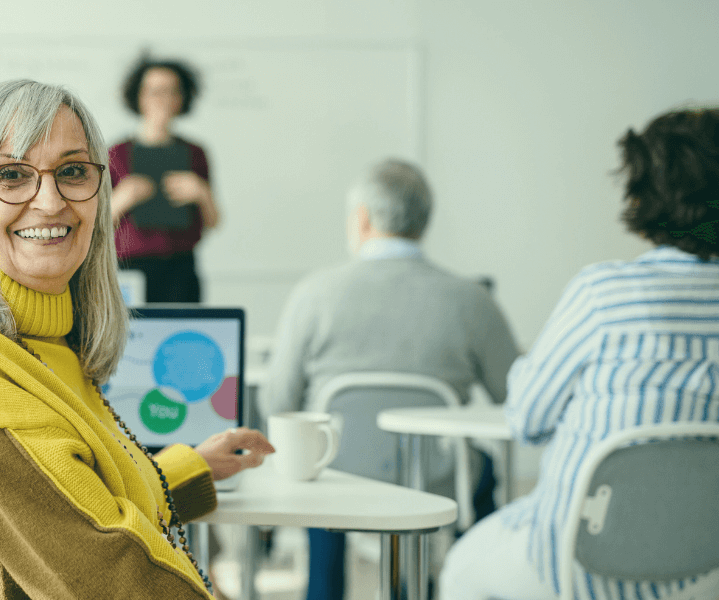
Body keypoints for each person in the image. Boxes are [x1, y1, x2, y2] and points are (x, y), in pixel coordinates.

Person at [0, 79, 274, 599]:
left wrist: (191, 467)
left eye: (73, 172)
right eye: (11, 175)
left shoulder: (50, 337)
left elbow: (76, 498)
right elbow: (95, 560)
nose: (51, 201)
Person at [440, 107, 719, 600]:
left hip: (577, 570)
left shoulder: (602, 293)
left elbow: (526, 419)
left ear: (644, 192)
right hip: (703, 575)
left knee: (460, 568)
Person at [261, 158, 520, 600]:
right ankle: (455, 581)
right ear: (424, 221)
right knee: (483, 471)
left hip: (336, 475)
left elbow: (277, 401)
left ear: (360, 219)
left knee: (316, 480)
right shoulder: (470, 300)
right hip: (436, 478)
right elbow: (516, 397)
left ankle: (324, 590)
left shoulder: (314, 294)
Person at [110, 57, 220, 303]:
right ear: (139, 96)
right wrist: (122, 199)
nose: (163, 99)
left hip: (181, 268)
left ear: (182, 97)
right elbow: (97, 225)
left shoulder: (195, 153)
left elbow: (214, 222)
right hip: (129, 268)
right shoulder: (116, 154)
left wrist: (201, 192)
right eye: (155, 91)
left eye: (172, 91)